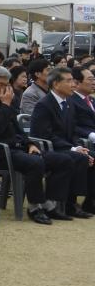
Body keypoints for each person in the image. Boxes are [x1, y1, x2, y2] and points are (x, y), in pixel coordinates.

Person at [0, 65, 72, 224]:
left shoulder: (4, 101)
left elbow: (17, 128)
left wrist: (30, 143)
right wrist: (5, 105)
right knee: (35, 162)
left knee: (63, 160)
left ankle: (50, 204)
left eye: (6, 85)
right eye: (0, 85)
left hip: (16, 148)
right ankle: (34, 207)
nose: (4, 89)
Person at [30, 67, 95, 218]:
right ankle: (62, 204)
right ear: (56, 84)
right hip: (46, 148)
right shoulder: (44, 105)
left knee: (90, 156)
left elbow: (73, 132)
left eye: (73, 80)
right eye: (69, 80)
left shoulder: (68, 103)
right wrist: (73, 148)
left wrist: (78, 146)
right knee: (78, 158)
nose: (73, 84)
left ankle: (87, 201)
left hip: (65, 147)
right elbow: (45, 135)